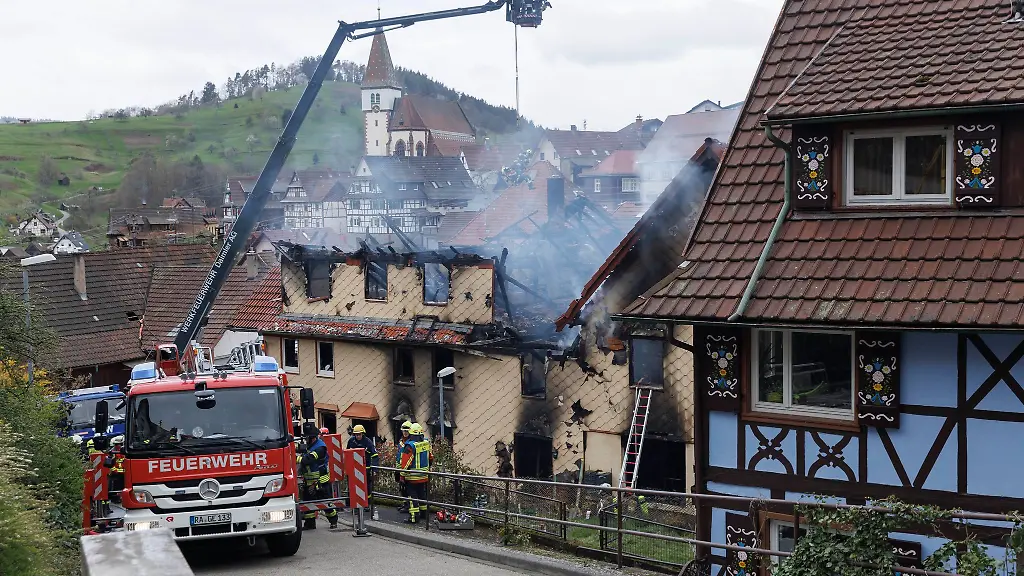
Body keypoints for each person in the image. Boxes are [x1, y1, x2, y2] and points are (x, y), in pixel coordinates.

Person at [297, 427, 338, 529]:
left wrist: (294, 458)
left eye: (307, 438)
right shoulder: (311, 446)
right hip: (309, 482)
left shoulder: (320, 448)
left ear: (313, 438)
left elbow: (307, 459)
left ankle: (334, 521)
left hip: (321, 482)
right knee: (309, 503)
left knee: (327, 504)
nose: (306, 440)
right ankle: (310, 524)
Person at [400, 423, 432, 523]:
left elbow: (406, 463)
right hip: (424, 476)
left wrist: (402, 476)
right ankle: (424, 515)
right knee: (422, 495)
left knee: (412, 496)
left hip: (412, 477)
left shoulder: (410, 446)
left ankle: (414, 518)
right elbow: (430, 458)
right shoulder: (426, 443)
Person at [396, 421, 413, 513]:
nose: (405, 432)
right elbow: (398, 456)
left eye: (407, 431)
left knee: (408, 489)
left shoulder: (410, 443)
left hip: (407, 470)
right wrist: (397, 469)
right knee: (402, 489)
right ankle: (405, 504)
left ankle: (408, 506)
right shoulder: (401, 441)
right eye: (404, 431)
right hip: (400, 469)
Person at [105, 435, 126, 505]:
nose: (118, 446)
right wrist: (114, 470)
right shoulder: (111, 452)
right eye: (116, 444)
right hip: (115, 474)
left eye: (119, 444)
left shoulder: (126, 451)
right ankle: (115, 499)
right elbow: (108, 464)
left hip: (125, 473)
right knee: (115, 487)